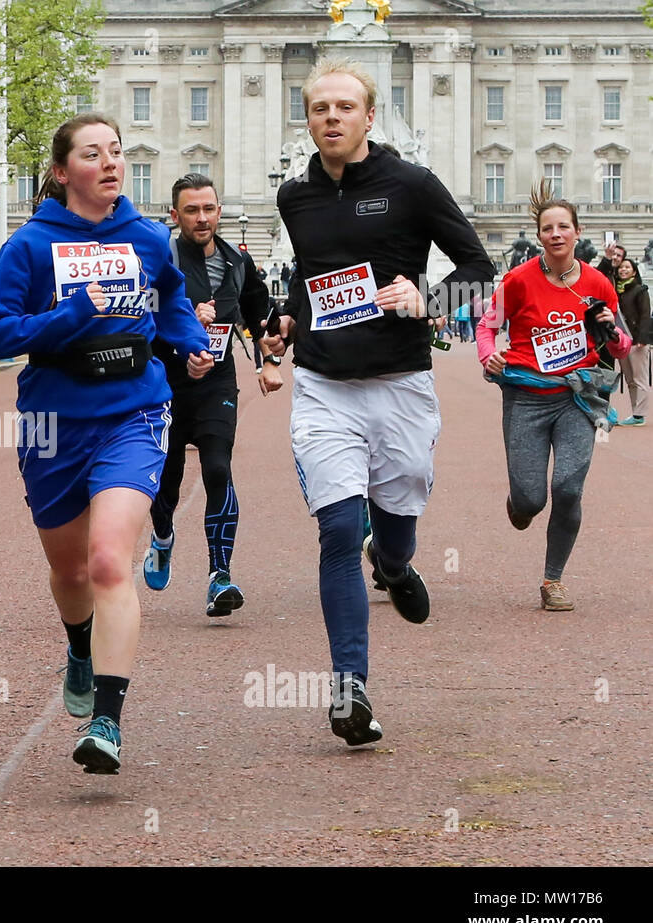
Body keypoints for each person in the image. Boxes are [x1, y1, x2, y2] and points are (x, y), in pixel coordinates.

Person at [264, 58, 494, 747]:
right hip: (325, 386)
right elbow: (307, 278)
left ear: (369, 115)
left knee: (396, 518)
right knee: (336, 530)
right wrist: (287, 321)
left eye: (344, 107)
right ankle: (350, 687)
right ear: (307, 119)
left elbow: (480, 268)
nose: (330, 118)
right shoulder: (293, 197)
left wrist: (430, 302)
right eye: (318, 108)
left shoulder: (413, 184)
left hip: (400, 386)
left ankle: (392, 563)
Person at [0, 114, 214, 774]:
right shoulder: (29, 246)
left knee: (111, 562)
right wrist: (71, 316)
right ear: (62, 172)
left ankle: (107, 719)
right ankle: (79, 644)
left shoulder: (145, 236)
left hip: (133, 412)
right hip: (53, 422)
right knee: (72, 571)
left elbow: (170, 297)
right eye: (93, 154)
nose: (111, 163)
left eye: (116, 152)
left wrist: (190, 344)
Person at [478, 182, 631, 611]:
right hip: (525, 396)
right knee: (531, 499)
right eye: (548, 228)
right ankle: (519, 502)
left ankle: (553, 580)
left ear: (577, 232)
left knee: (567, 487)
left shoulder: (599, 283)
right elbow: (486, 326)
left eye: (564, 226)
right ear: (540, 235)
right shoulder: (518, 280)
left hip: (576, 398)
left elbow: (622, 345)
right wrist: (490, 357)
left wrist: (610, 328)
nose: (556, 234)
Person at [143, 172, 278, 618]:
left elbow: (261, 314)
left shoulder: (238, 260)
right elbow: (138, 315)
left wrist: (270, 356)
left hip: (217, 379)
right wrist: (182, 321)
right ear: (175, 215)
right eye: (192, 210)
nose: (202, 218)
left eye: (209, 209)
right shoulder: (159, 258)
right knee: (170, 477)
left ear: (219, 210)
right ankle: (162, 537)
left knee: (218, 466)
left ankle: (220, 574)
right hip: (166, 381)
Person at [612, 259, 650, 426]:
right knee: (630, 379)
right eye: (621, 267)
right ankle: (635, 413)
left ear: (634, 272)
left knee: (640, 378)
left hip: (637, 341)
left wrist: (642, 337)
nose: (623, 270)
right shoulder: (617, 291)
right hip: (623, 341)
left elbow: (645, 315)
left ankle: (639, 414)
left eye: (627, 267)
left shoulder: (640, 290)